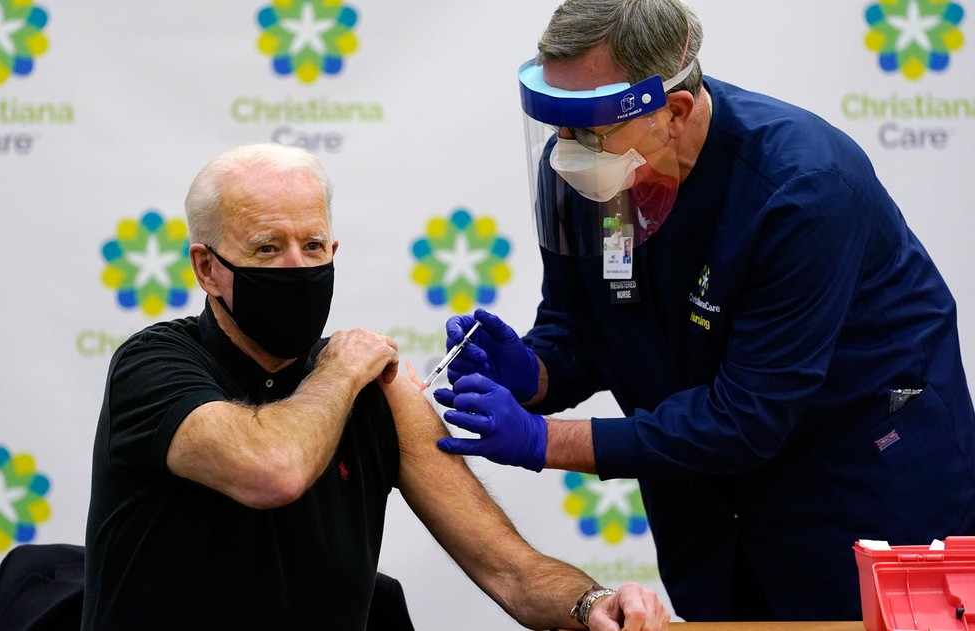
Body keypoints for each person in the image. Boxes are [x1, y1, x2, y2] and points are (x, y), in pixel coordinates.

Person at [432, 0, 975, 623]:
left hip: (860, 492)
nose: (565, 152)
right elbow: (584, 326)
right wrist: (534, 372)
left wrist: (540, 439)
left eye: (587, 130)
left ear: (677, 112)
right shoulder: (592, 175)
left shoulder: (803, 189)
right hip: (709, 513)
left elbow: (748, 416)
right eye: (557, 126)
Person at [81, 142, 671, 631]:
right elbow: (272, 470)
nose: (297, 268)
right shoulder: (153, 365)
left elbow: (510, 570)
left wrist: (594, 604)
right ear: (207, 268)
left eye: (312, 246)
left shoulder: (375, 394)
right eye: (267, 248)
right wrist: (339, 369)